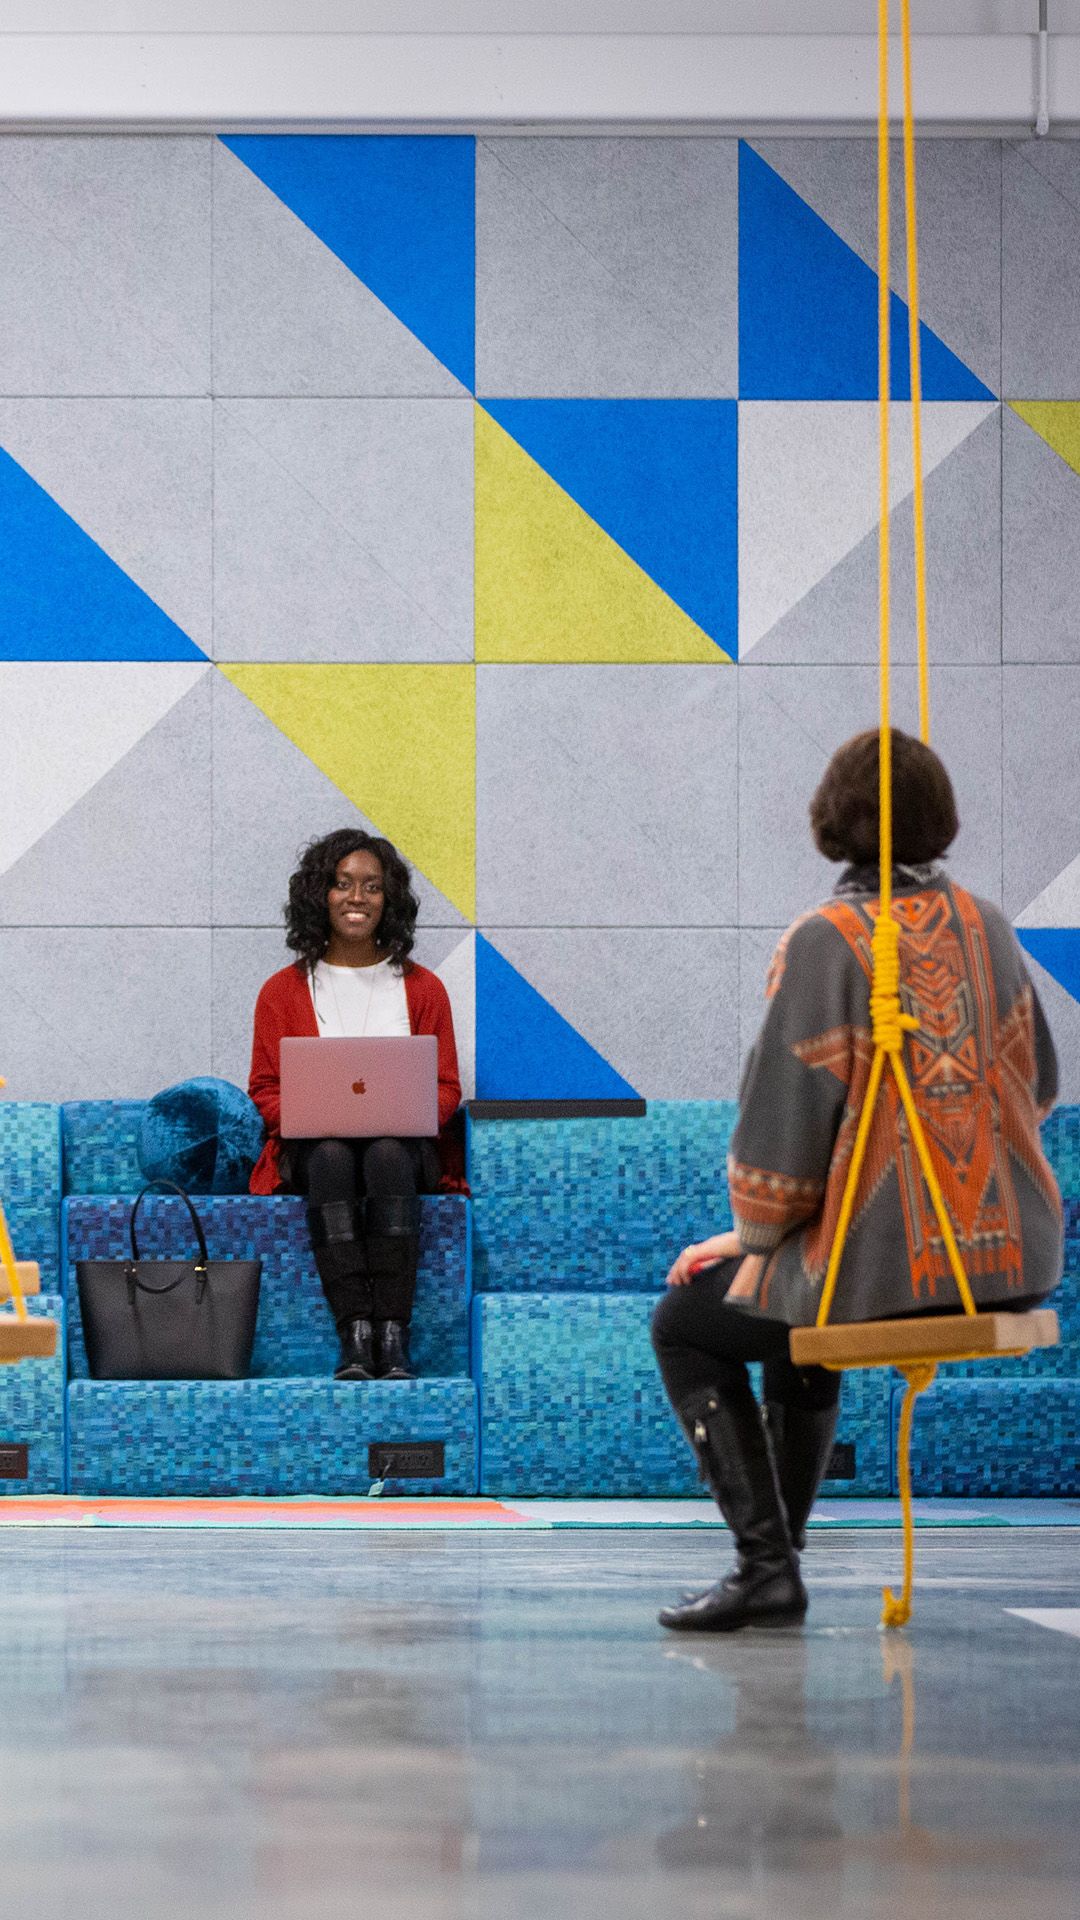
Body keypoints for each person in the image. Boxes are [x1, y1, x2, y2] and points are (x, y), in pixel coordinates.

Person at [653, 729, 1063, 1633]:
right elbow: (1039, 1087)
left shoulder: (825, 942)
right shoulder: (987, 924)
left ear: (832, 824)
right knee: (791, 1310)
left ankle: (766, 1562)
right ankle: (779, 1560)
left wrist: (747, 1237)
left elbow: (782, 1135)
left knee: (687, 1320)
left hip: (891, 1268)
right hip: (1014, 1260)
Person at [248, 829, 465, 1383]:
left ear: (388, 899)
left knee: (388, 1154)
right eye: (342, 884)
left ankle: (393, 1338)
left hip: (403, 1152)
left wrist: (406, 1110)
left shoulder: (424, 990)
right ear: (319, 895)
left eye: (371, 886)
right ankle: (354, 1335)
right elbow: (263, 1091)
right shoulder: (281, 991)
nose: (356, 898)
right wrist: (309, 1114)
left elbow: (445, 1088)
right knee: (331, 1156)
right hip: (314, 1152)